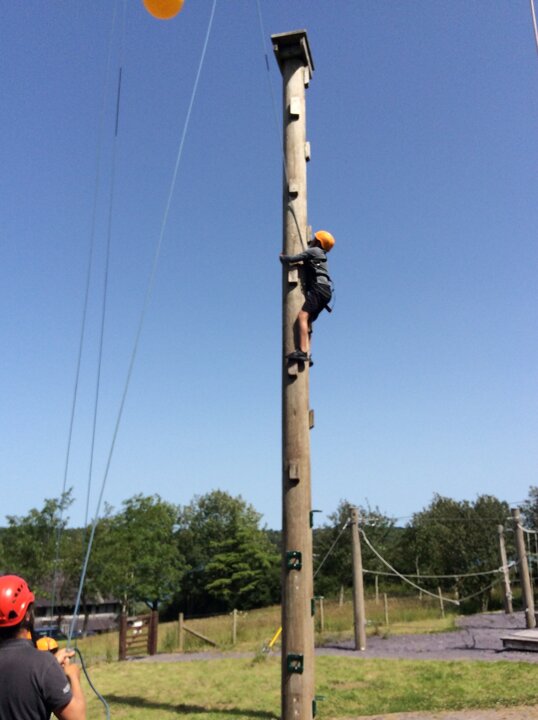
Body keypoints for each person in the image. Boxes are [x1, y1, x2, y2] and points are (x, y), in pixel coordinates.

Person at [0, 574, 86, 720]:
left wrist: (51, 664)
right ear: (27, 615)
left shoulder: (43, 665)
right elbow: (77, 717)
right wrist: (73, 676)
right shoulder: (42, 664)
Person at [280, 229, 335, 365]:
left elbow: (293, 259)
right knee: (308, 321)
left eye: (315, 239)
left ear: (318, 242)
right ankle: (308, 354)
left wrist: (282, 257)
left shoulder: (315, 251)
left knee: (302, 316)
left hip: (319, 289)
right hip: (326, 292)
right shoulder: (321, 255)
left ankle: (302, 352)